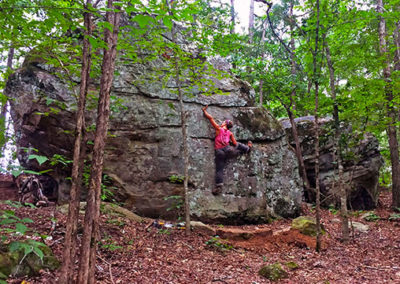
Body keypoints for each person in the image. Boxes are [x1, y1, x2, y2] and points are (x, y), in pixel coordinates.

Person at [202, 105, 252, 195]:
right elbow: (235, 144)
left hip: (219, 152)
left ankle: (219, 186)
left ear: (224, 124)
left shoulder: (218, 129)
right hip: (229, 150)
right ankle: (247, 149)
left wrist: (204, 111)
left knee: (219, 169)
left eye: (223, 122)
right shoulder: (230, 133)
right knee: (238, 147)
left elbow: (210, 118)